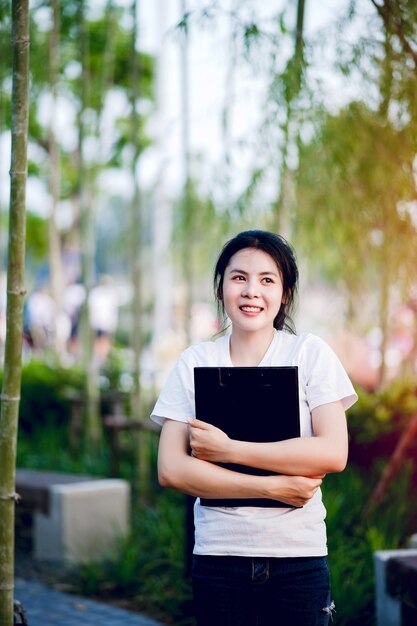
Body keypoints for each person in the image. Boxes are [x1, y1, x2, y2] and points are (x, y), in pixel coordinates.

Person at [150, 230, 358, 626]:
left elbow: (333, 452)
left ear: (285, 293)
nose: (251, 291)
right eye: (238, 277)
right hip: (218, 559)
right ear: (222, 285)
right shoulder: (195, 362)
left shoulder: (309, 354)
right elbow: (171, 469)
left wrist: (229, 450)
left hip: (298, 560)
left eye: (267, 280)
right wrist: (270, 486)